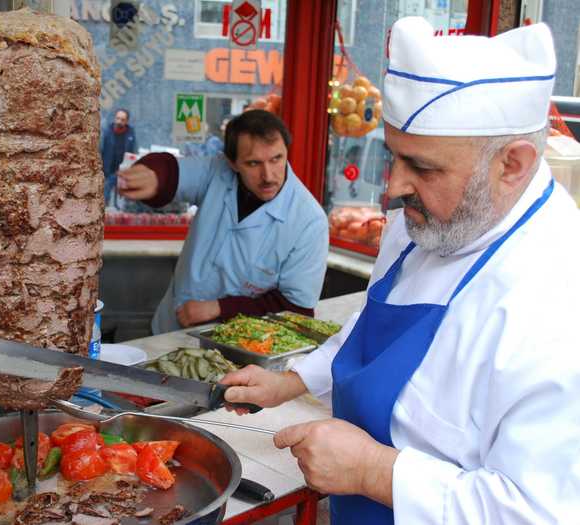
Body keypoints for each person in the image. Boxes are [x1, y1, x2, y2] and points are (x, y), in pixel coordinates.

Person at [220, 17, 580, 524]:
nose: (393, 186)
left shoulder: (558, 299)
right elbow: (368, 332)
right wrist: (292, 380)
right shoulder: (422, 221)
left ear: (512, 164)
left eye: (423, 166)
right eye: (393, 156)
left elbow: (539, 512)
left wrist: (375, 473)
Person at [117, 110, 329, 334]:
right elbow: (173, 173)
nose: (268, 175)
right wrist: (154, 175)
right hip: (167, 333)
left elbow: (295, 311)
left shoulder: (309, 222)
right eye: (253, 163)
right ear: (232, 163)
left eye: (277, 159)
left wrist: (219, 309)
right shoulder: (216, 172)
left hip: (240, 350)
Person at [101, 108, 137, 206]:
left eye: (122, 119)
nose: (119, 121)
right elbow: (101, 150)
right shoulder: (107, 131)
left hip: (123, 171)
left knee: (122, 199)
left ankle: (120, 211)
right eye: (117, 118)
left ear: (126, 121)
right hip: (108, 170)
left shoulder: (131, 133)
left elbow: (133, 151)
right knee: (105, 195)